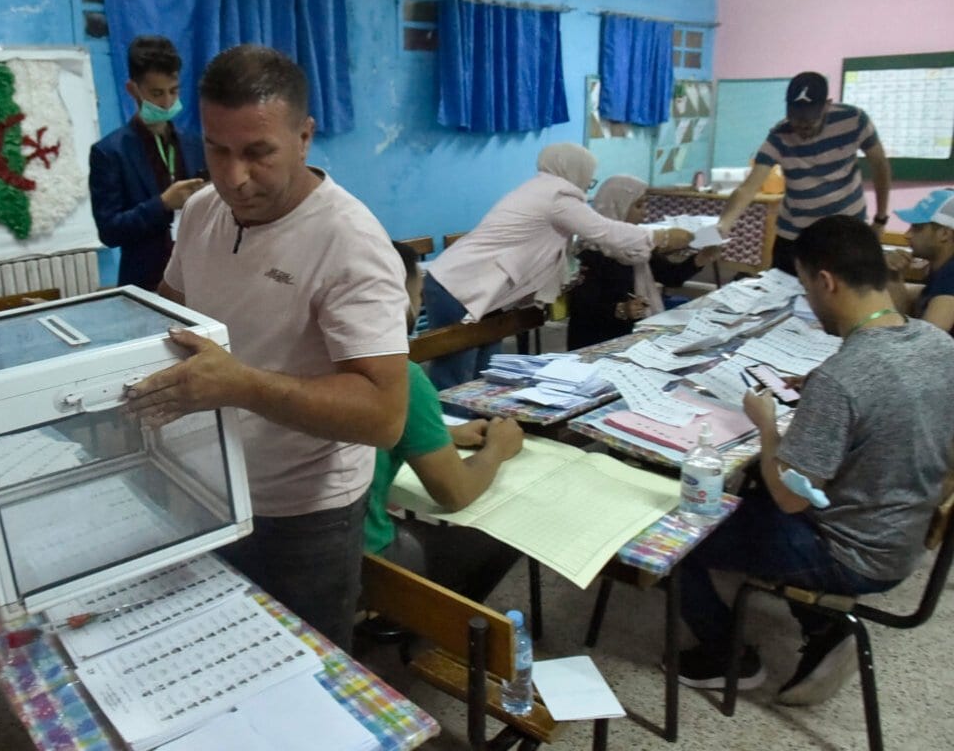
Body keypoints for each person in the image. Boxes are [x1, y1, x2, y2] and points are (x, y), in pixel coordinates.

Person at [125, 45, 409, 651]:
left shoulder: (349, 242)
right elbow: (167, 308)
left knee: (303, 679)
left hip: (303, 516)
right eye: (217, 150)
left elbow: (384, 416)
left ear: (304, 137)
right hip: (206, 483)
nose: (234, 177)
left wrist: (243, 384)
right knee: (217, 656)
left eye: (258, 153)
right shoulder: (204, 209)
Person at [677, 215, 954, 706]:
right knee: (753, 493)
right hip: (903, 531)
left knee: (680, 535)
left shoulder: (843, 377)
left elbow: (788, 495)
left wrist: (766, 425)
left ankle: (728, 658)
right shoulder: (937, 343)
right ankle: (823, 628)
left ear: (826, 281)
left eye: (806, 286)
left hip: (851, 552)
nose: (808, 298)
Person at [422, 143, 694, 391]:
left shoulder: (543, 190)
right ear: (574, 170)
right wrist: (661, 236)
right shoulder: (557, 196)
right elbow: (603, 231)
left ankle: (470, 425)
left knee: (484, 368)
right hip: (459, 286)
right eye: (589, 174)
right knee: (456, 372)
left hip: (478, 286)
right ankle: (446, 435)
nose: (589, 183)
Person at [364, 242, 525, 601]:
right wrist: (498, 448)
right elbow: (455, 494)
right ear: (399, 299)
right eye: (418, 293)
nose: (420, 304)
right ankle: (439, 625)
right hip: (367, 556)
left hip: (309, 547)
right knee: (503, 535)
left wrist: (446, 434)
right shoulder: (401, 377)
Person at [716, 71, 891, 274]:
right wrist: (723, 225)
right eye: (794, 118)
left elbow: (880, 165)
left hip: (846, 234)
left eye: (809, 121)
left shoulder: (853, 120)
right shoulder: (780, 135)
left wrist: (880, 219)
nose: (801, 127)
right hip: (796, 236)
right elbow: (748, 188)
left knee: (843, 298)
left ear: (827, 105)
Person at [89, 36, 206, 290]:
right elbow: (109, 232)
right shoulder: (109, 153)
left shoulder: (196, 145)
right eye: (156, 93)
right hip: (146, 282)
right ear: (133, 90)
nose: (167, 102)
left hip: (199, 278)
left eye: (173, 91)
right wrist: (162, 204)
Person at [567, 175, 723, 350]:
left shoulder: (637, 244)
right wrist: (621, 309)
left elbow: (671, 276)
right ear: (619, 206)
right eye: (639, 205)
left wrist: (702, 257)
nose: (645, 212)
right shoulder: (592, 251)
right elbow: (582, 306)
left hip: (632, 335)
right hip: (597, 340)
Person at [885, 189, 954, 335]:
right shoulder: (941, 272)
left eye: (916, 228)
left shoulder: (950, 279)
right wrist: (894, 275)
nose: (907, 234)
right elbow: (902, 313)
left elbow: (925, 346)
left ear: (944, 234)